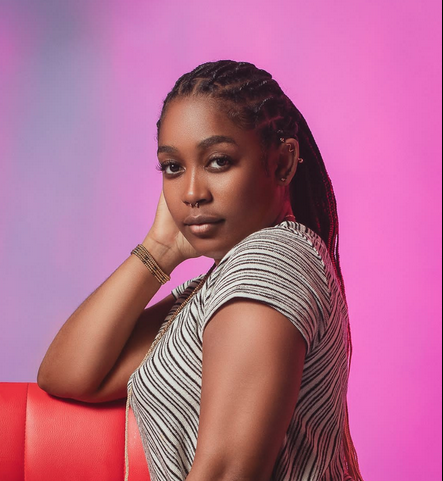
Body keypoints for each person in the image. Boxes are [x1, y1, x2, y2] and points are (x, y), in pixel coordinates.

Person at [37, 60, 364, 481]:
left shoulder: (268, 263)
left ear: (282, 164)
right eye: (173, 167)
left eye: (218, 161)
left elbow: (227, 474)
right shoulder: (222, 282)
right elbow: (68, 375)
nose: (191, 193)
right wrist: (160, 250)